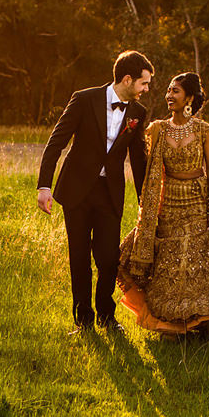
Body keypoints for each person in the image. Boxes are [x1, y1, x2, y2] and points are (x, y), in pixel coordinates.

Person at [117, 72, 209, 338]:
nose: (169, 95)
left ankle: (202, 323)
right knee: (170, 265)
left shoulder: (204, 131)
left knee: (198, 261)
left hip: (196, 202)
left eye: (175, 91)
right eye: (167, 90)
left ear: (189, 97)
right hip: (168, 201)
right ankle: (171, 324)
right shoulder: (158, 129)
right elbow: (145, 164)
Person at [37, 50, 154, 331]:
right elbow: (56, 142)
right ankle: (83, 320)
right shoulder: (84, 98)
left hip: (109, 194)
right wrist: (44, 186)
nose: (146, 90)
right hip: (76, 191)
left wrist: (144, 202)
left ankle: (106, 316)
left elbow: (138, 161)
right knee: (79, 258)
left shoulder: (138, 113)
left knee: (108, 259)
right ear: (128, 79)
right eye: (144, 83)